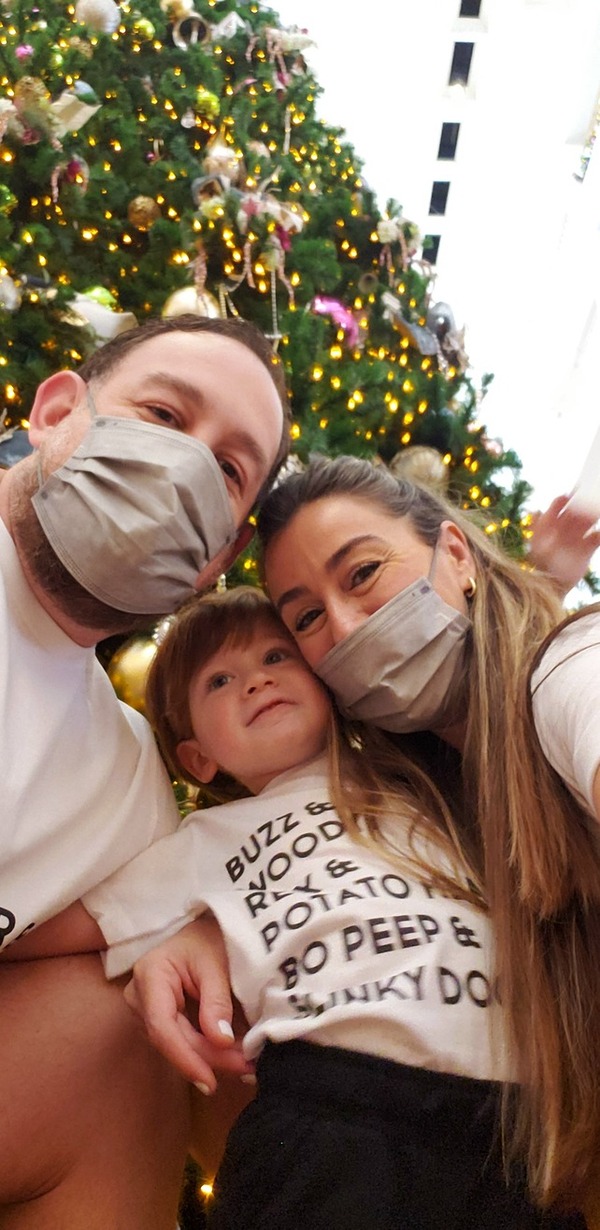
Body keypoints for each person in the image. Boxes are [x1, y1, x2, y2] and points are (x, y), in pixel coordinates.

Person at [4, 585, 585, 1229]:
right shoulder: (200, 843)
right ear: (197, 757)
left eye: (277, 657)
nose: (256, 681)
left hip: (516, 1125)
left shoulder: (419, 778)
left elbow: (497, 684)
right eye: (220, 680)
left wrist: (552, 574)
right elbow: (73, 924)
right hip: (326, 1106)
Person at [125, 453, 600, 1222]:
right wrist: (213, 925)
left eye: (364, 573)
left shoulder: (571, 669)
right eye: (306, 617)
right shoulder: (425, 791)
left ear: (455, 553)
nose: (347, 626)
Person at [0, 313, 288, 1230]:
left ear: (221, 558)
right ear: (55, 411)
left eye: (230, 470)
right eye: (164, 415)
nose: (188, 469)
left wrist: (194, 931)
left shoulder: (128, 788)